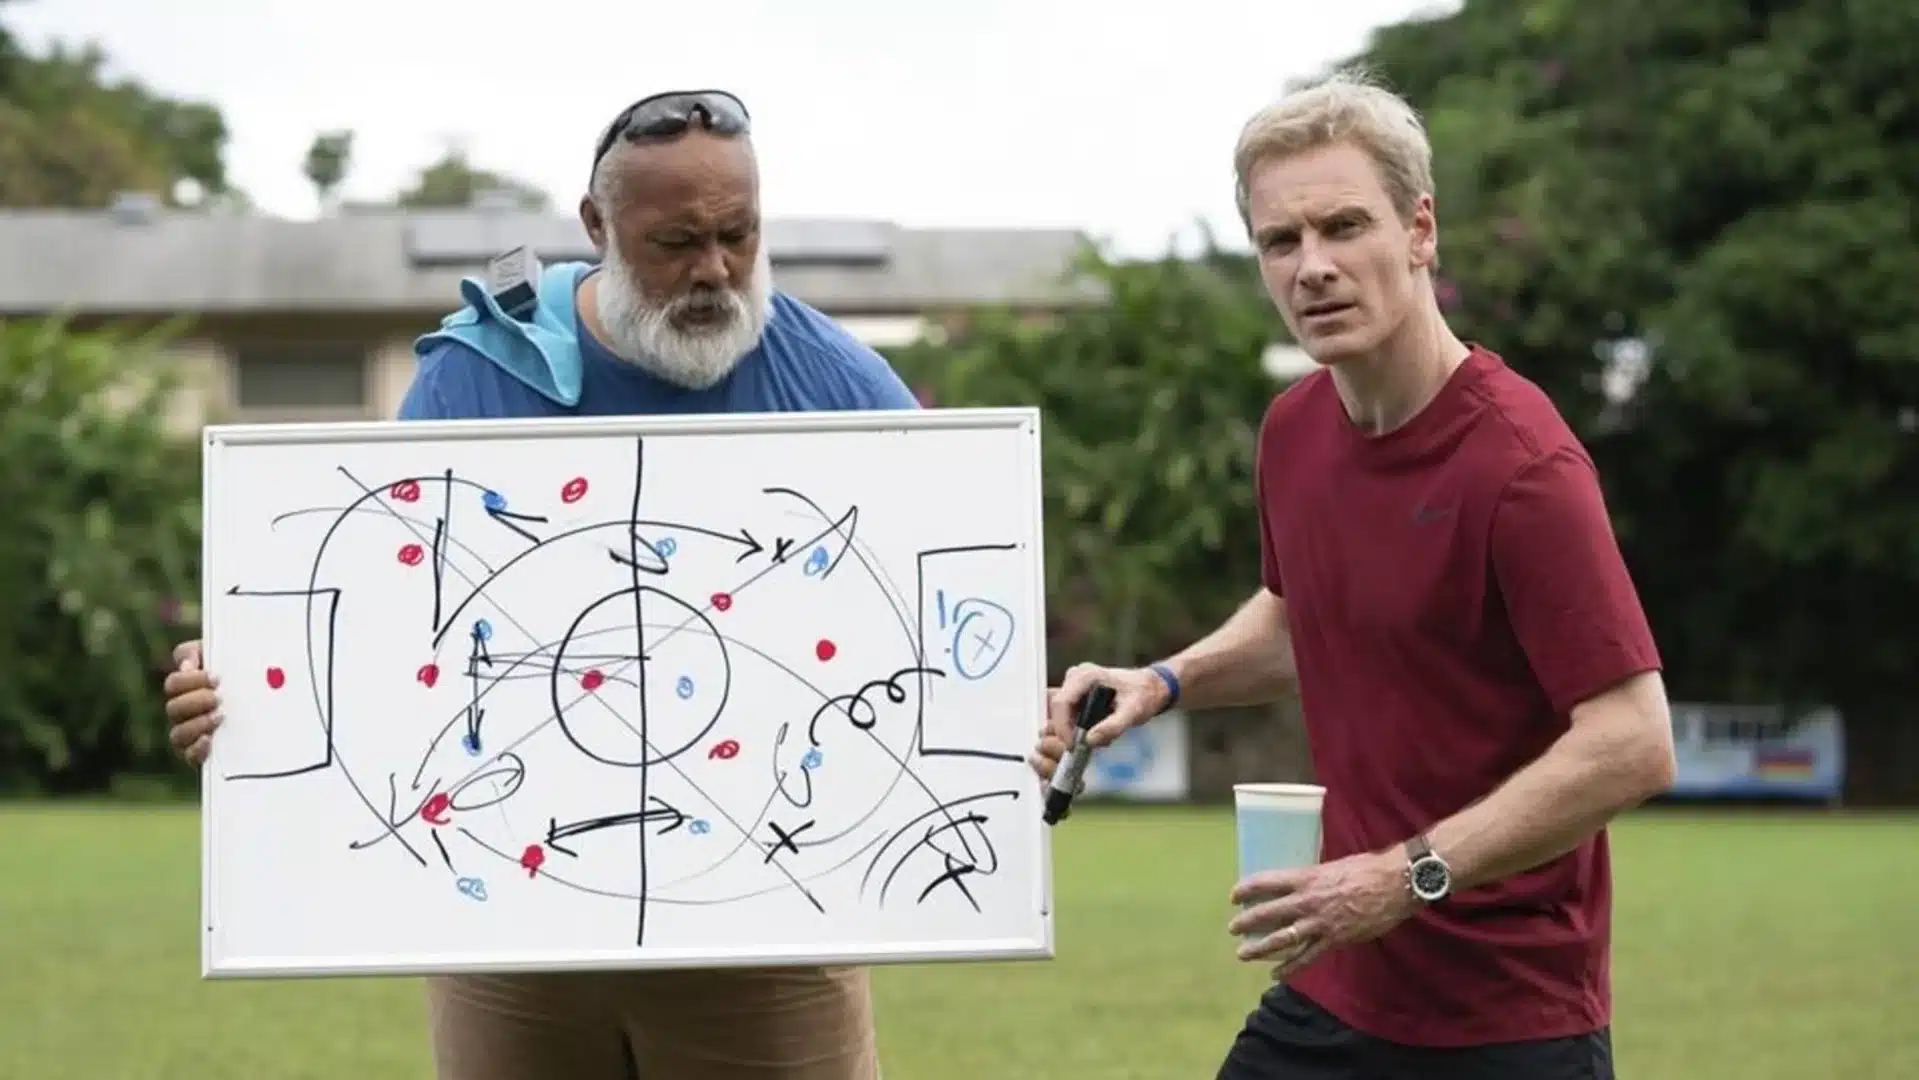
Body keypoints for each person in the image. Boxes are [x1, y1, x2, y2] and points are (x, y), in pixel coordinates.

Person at [163, 88, 916, 1080]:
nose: (715, 271)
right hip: (511, 937)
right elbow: (376, 610)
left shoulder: (837, 383)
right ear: (596, 227)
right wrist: (242, 687)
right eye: (676, 242)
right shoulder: (475, 372)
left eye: (739, 234)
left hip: (767, 943)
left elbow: (925, 604)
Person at [1030, 68, 1676, 1080]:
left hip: (1506, 1025)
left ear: (1418, 231)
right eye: (1279, 242)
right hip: (1333, 990)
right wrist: (1157, 685)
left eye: (1342, 227)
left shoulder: (1521, 467)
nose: (1310, 267)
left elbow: (1632, 742)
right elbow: (1298, 621)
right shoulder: (1293, 429)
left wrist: (1400, 876)